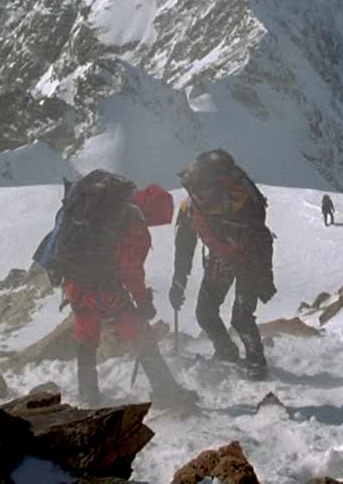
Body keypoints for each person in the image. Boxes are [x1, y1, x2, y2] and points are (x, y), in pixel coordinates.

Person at [63, 179, 198, 409]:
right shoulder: (135, 226)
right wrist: (143, 301)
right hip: (105, 291)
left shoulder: (102, 210)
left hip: (74, 284)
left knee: (86, 334)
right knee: (141, 334)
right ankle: (166, 392)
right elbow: (131, 272)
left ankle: (88, 393)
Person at [169, 150, 276, 381]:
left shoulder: (242, 202)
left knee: (241, 316)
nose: (199, 194)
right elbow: (185, 246)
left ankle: (256, 362)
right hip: (224, 258)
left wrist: (265, 277)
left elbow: (261, 239)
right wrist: (179, 280)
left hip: (249, 260)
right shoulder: (193, 206)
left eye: (202, 189)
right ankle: (227, 351)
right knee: (205, 313)